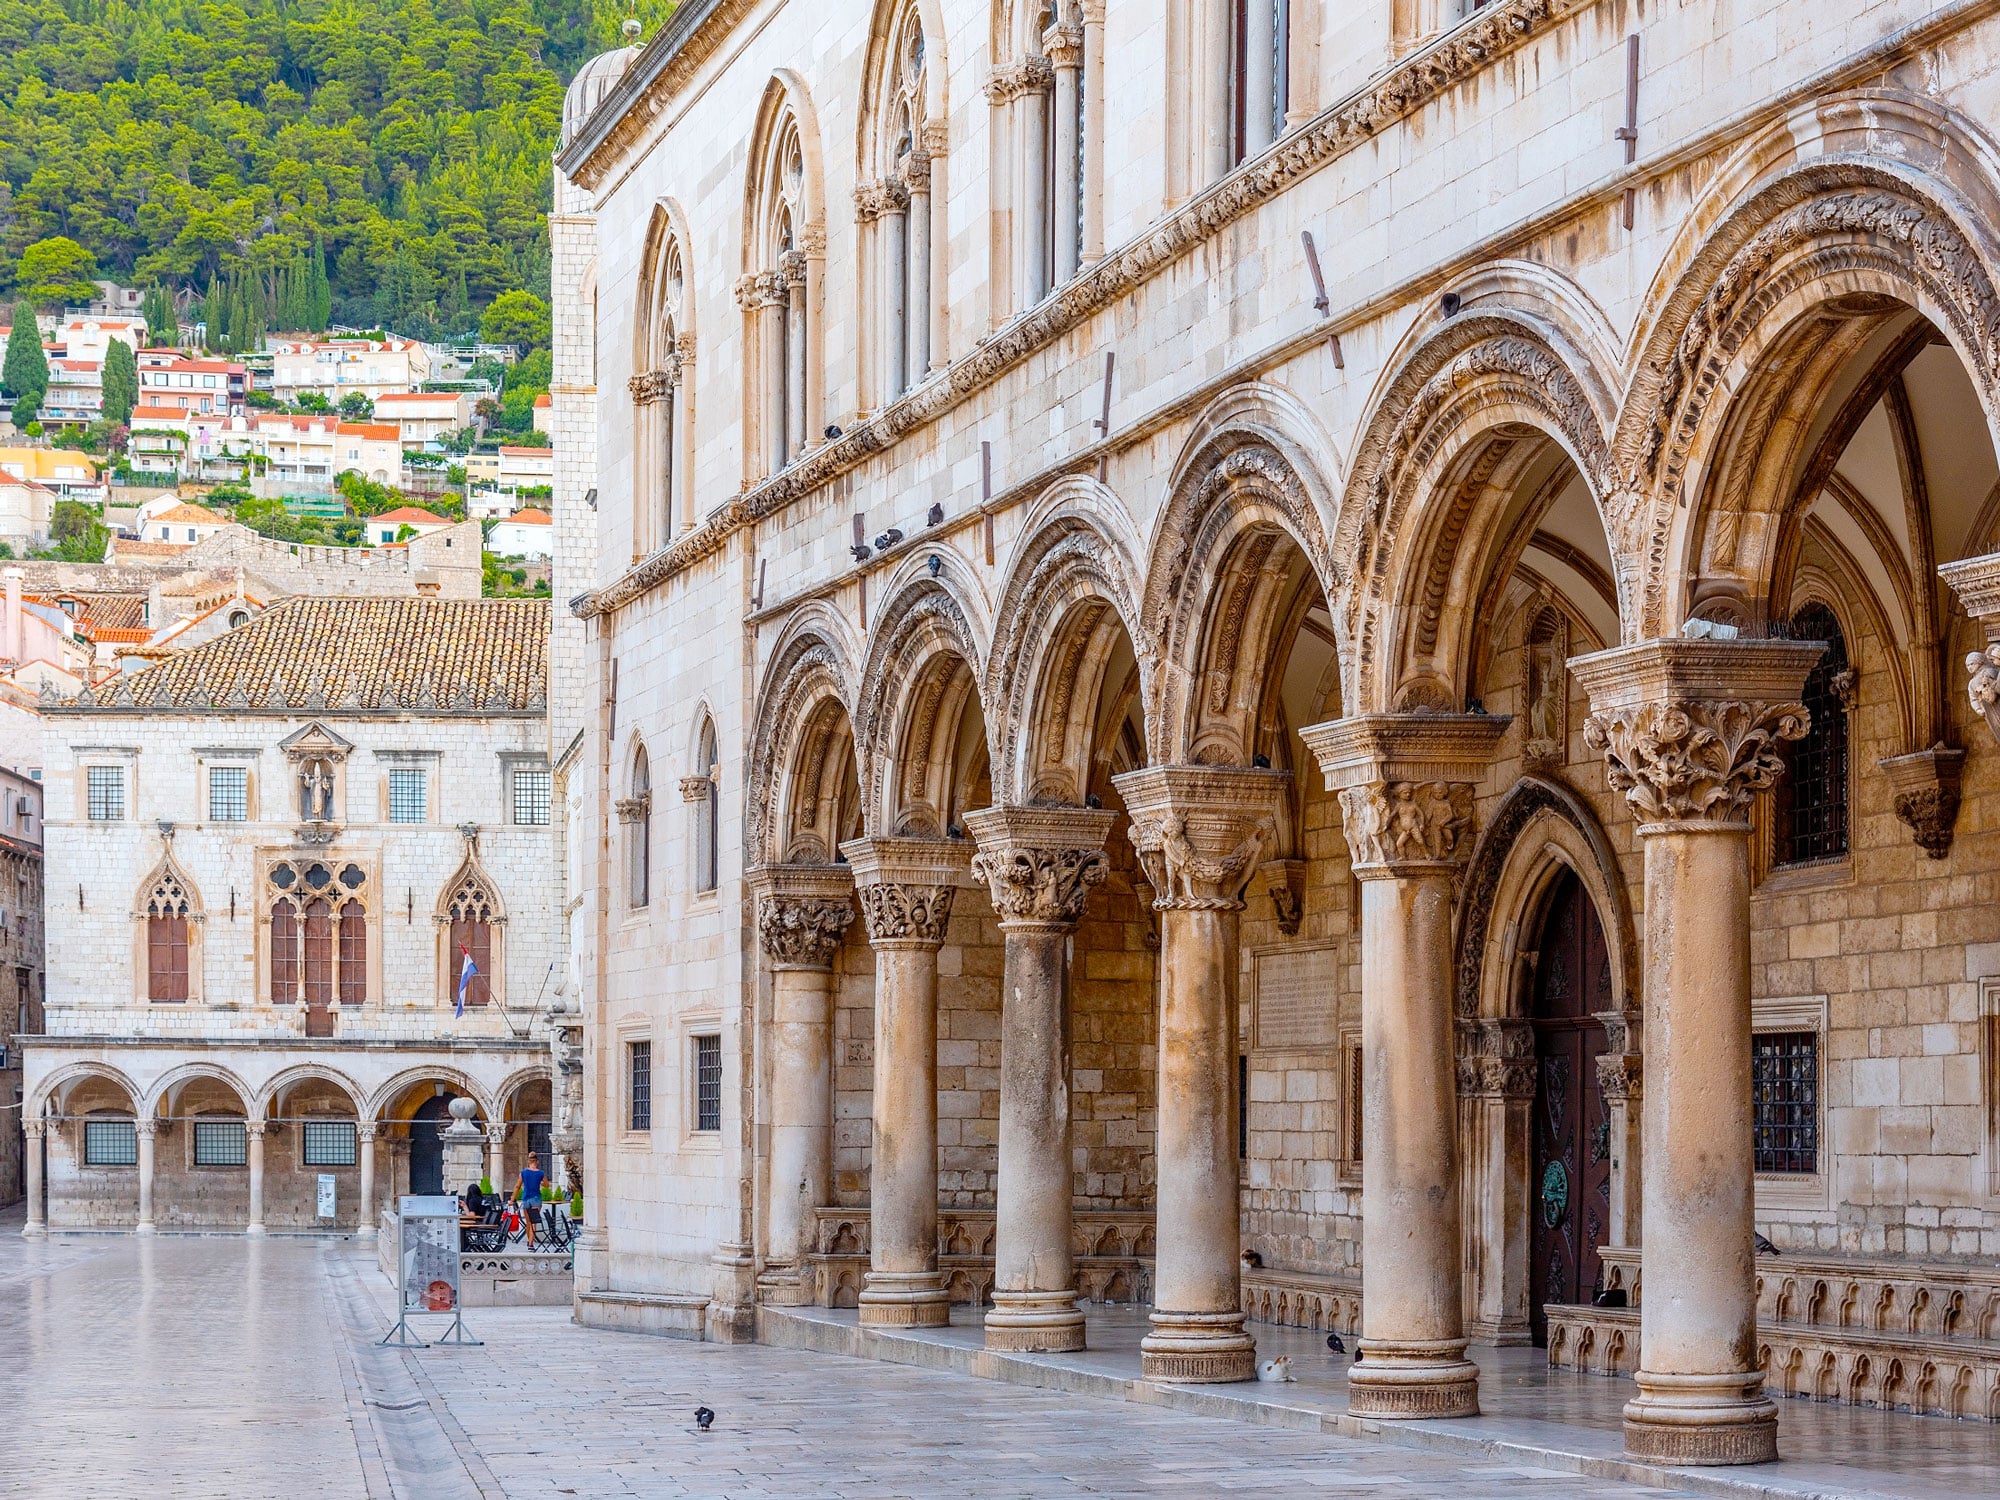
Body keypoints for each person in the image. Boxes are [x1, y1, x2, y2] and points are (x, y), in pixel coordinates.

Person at [513, 1152, 545, 1248]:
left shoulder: (523, 1173)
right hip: (536, 1199)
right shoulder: (540, 1173)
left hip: (526, 1199)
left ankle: (529, 1240)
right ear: (537, 1162)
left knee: (528, 1222)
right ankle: (531, 1243)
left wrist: (512, 1199)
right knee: (534, 1221)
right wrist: (542, 1183)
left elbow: (517, 1186)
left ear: (528, 1161)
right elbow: (546, 1184)